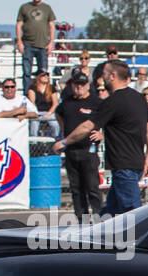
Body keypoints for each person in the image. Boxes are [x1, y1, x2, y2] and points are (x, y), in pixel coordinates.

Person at [54, 60, 148, 217]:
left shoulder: (113, 101)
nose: (102, 79)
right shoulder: (138, 98)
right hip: (134, 163)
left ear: (113, 76)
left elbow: (87, 126)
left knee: (134, 213)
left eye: (104, 75)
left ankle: (141, 240)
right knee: (109, 213)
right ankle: (100, 237)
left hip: (124, 166)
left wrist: (64, 141)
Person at [54, 73, 102, 220]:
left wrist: (102, 134)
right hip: (71, 150)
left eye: (82, 84)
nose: (79, 87)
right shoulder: (67, 103)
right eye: (76, 84)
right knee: (76, 189)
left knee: (92, 187)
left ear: (87, 85)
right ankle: (82, 220)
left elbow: (110, 119)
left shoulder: (96, 102)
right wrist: (65, 133)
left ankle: (99, 218)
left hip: (88, 150)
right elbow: (58, 114)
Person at [15, 0, 56, 92]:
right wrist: (19, 42)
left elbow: (52, 26)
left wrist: (51, 42)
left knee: (43, 73)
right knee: (27, 72)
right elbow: (18, 25)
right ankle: (27, 94)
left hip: (43, 45)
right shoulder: (24, 7)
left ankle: (42, 94)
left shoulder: (47, 8)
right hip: (27, 45)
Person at [28, 69, 58, 136]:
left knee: (55, 124)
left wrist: (49, 113)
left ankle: (55, 141)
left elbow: (55, 103)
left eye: (47, 75)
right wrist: (36, 113)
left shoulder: (51, 88)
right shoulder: (33, 88)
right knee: (34, 123)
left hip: (49, 112)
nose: (46, 76)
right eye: (44, 75)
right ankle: (34, 143)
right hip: (37, 111)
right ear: (39, 77)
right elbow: (32, 103)